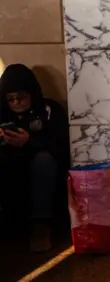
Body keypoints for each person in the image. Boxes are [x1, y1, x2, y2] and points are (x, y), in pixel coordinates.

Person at [0, 64, 69, 252]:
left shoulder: (50, 110)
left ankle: (41, 227)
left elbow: (61, 148)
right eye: (11, 99)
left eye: (21, 97)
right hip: (9, 169)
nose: (16, 103)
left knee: (43, 161)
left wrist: (29, 142)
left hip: (41, 170)